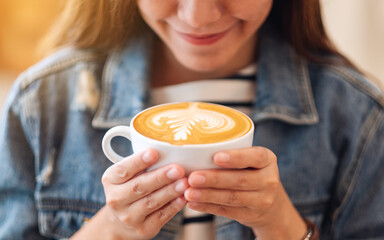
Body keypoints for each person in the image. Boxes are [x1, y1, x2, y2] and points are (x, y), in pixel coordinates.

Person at [0, 0, 383, 239]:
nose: (198, 16)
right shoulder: (39, 106)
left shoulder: (357, 116)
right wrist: (112, 231)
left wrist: (281, 226)